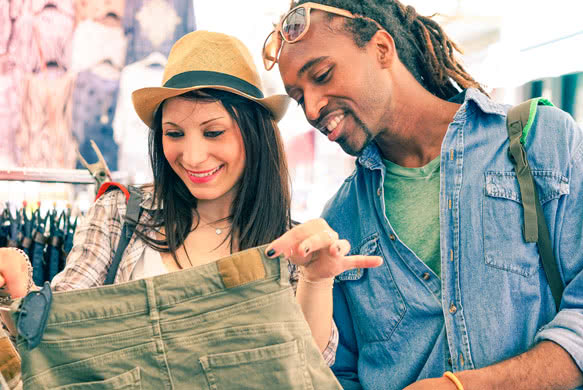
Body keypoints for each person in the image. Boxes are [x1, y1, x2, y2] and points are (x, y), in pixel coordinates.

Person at [0, 30, 383, 370]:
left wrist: (316, 280)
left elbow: (309, 363)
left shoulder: (289, 246)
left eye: (213, 132)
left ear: (254, 135)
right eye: (174, 133)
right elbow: (60, 330)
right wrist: (18, 285)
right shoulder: (121, 214)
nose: (193, 156)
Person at [262, 1, 583, 389]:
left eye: (323, 74)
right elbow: (341, 374)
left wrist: (465, 386)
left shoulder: (540, 142)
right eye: (299, 98)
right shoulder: (340, 220)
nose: (312, 109)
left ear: (382, 48)